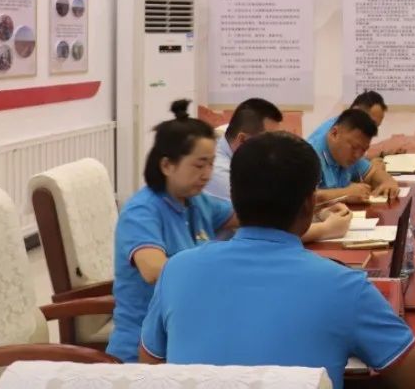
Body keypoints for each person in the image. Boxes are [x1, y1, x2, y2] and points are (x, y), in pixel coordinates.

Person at [139, 132, 415, 389]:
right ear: (310, 204)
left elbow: (150, 370)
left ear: (234, 197)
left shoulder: (176, 270)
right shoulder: (344, 287)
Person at [107, 100, 350, 364]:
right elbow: (155, 270)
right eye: (199, 165)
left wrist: (316, 211)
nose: (207, 174)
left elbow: (263, 217)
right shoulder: (141, 212)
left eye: (212, 164)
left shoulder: (196, 202)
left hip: (189, 331)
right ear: (167, 165)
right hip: (143, 352)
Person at [307, 108, 399, 204]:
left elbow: (372, 173)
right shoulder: (310, 156)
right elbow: (304, 198)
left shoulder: (351, 154)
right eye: (354, 147)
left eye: (363, 150)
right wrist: (345, 193)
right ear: (334, 134)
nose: (357, 155)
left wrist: (388, 182)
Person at [202, 98, 284, 201]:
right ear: (242, 140)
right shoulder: (220, 175)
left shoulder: (236, 142)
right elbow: (261, 207)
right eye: (269, 141)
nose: (275, 148)